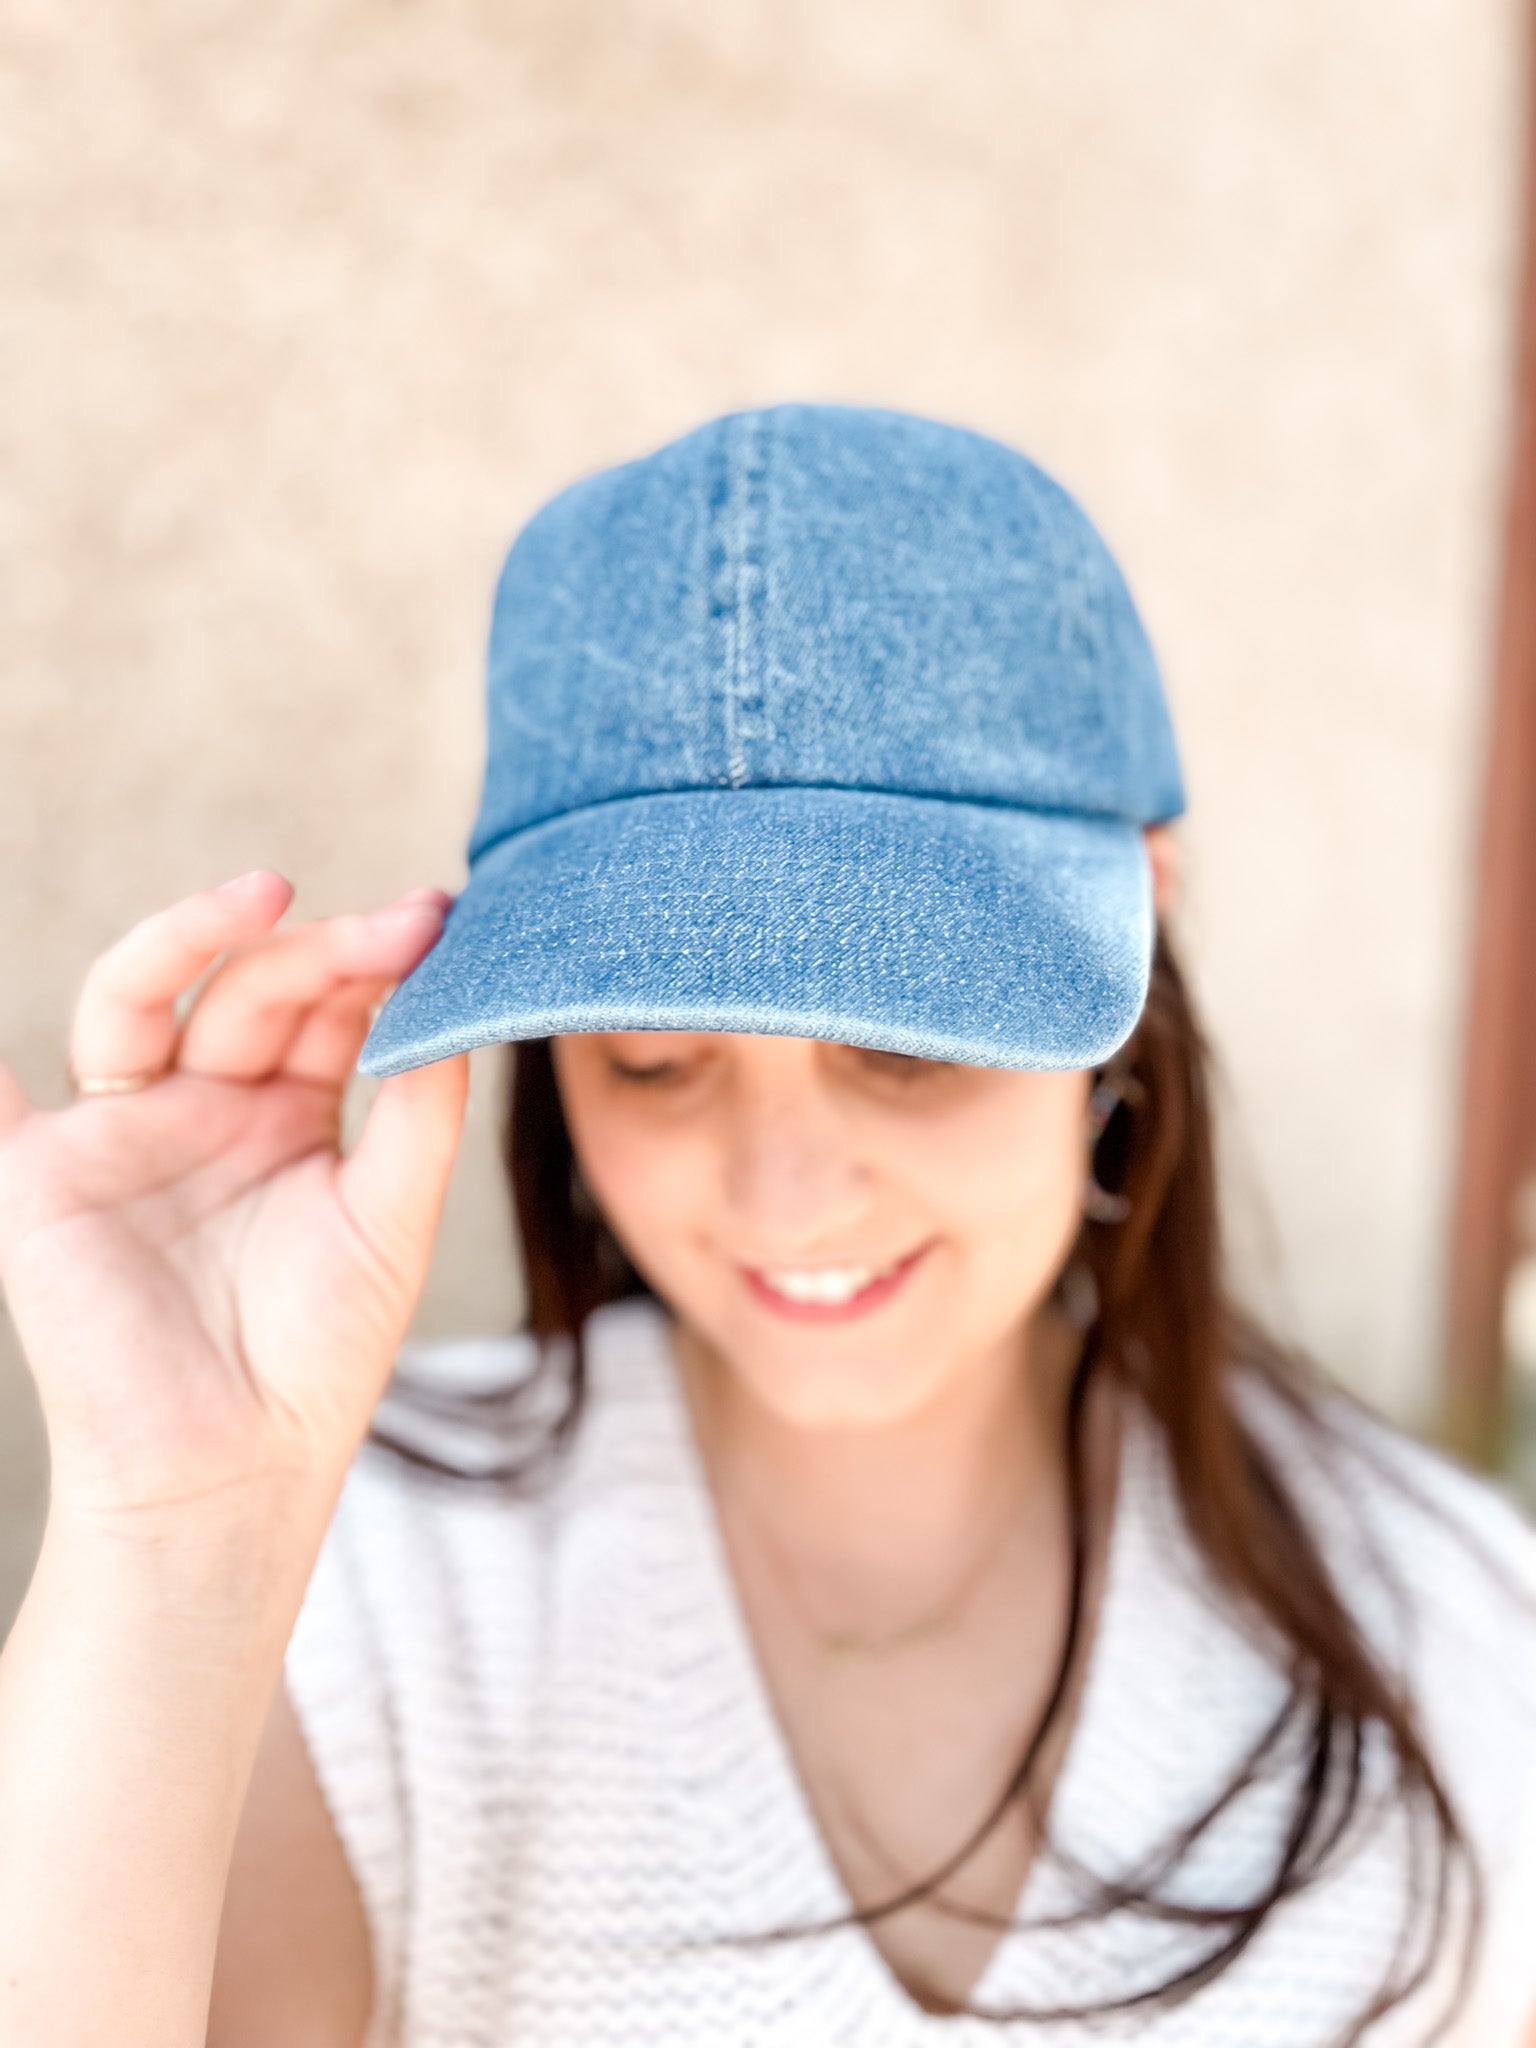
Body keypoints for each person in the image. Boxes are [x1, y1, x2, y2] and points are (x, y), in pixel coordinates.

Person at [0, 404, 1533, 2048]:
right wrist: (174, 1538)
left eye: (912, 1042)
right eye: (653, 1058)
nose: (785, 1192)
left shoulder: (1448, 1635)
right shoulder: (353, 1587)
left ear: (1147, 919)